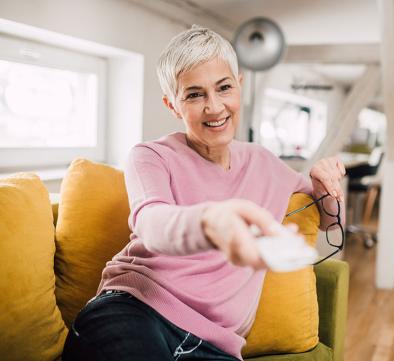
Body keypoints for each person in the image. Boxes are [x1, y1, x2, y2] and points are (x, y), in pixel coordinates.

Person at [63, 25, 346, 361]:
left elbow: (330, 223)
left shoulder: (265, 164)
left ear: (239, 85)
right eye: (194, 94)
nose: (214, 107)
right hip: (134, 310)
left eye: (223, 88)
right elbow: (151, 223)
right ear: (173, 105)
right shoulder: (151, 156)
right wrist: (211, 222)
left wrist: (324, 184)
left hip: (215, 345)